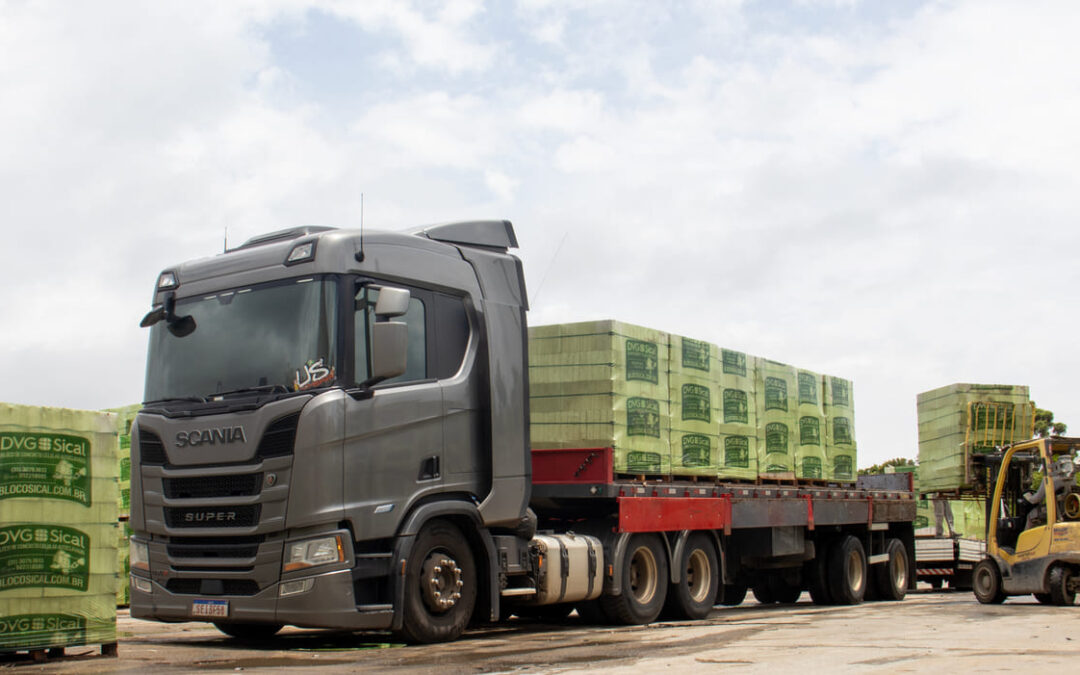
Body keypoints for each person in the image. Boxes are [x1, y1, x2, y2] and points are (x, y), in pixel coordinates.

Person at [1024, 454, 1076, 529]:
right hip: (1068, 509)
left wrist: (1027, 496)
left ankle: (1026, 540)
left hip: (1055, 511)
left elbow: (1035, 499)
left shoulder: (1050, 478)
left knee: (1031, 515)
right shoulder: (1072, 478)